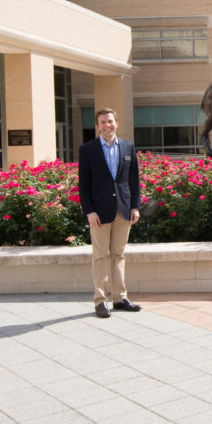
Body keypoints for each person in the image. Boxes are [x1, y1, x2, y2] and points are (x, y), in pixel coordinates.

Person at [78, 107, 142, 318]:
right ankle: (100, 301)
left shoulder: (127, 147)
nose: (107, 125)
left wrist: (135, 206)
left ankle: (120, 298)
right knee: (100, 256)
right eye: (103, 122)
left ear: (116, 123)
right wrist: (89, 211)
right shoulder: (88, 149)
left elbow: (133, 180)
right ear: (98, 126)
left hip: (123, 210)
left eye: (110, 121)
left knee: (119, 254)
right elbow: (83, 184)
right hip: (99, 212)